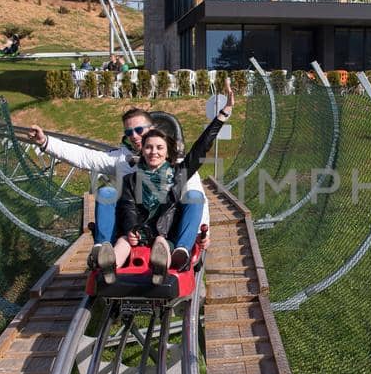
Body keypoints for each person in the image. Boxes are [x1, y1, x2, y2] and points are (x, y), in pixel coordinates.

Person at [24, 102, 214, 265]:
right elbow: (85, 157)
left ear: (153, 129)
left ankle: (179, 250)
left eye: (139, 130)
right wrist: (45, 142)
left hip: (165, 222)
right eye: (129, 132)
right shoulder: (121, 159)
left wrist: (201, 231)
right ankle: (103, 248)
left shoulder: (176, 165)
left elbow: (196, 195)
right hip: (132, 222)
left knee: (192, 197)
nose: (134, 135)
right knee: (106, 193)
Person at [89, 78, 234, 283]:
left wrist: (223, 114)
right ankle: (108, 267)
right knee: (122, 242)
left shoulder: (178, 174)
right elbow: (128, 208)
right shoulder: (132, 179)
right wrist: (132, 230)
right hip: (139, 232)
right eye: (148, 147)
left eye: (159, 148)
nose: (153, 152)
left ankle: (164, 266)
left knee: (164, 237)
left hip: (164, 233)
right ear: (143, 150)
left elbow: (202, 147)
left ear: (167, 153)